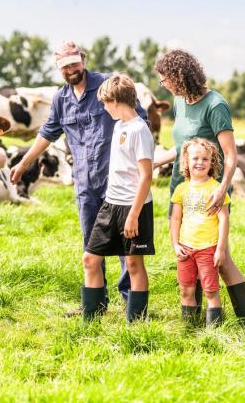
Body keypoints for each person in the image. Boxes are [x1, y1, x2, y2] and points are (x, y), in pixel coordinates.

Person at [9, 41, 147, 312]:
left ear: (83, 59)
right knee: (92, 244)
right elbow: (48, 132)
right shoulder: (61, 99)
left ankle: (131, 303)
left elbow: (137, 120)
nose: (71, 69)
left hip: (118, 180)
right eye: (64, 66)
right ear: (59, 69)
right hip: (85, 182)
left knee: (125, 246)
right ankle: (96, 305)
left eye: (74, 63)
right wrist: (24, 163)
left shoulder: (109, 86)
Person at [154, 49, 245, 327]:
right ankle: (196, 323)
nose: (164, 86)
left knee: (218, 260)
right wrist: (152, 163)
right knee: (188, 250)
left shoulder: (215, 105)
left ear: (179, 75)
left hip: (212, 191)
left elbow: (231, 154)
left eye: (165, 80)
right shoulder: (178, 102)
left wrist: (223, 188)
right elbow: (182, 148)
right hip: (183, 188)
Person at [82, 73, 155, 322]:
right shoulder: (118, 126)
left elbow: (146, 176)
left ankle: (136, 324)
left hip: (134, 208)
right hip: (110, 204)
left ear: (115, 101)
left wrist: (134, 215)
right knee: (90, 259)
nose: (104, 107)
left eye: (105, 103)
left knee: (134, 266)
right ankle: (89, 324)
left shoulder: (139, 129)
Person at [170, 138, 229, 326]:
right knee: (186, 291)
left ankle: (214, 333)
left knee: (211, 291)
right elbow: (175, 219)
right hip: (185, 249)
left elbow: (224, 219)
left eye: (205, 159)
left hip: (207, 249)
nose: (200, 163)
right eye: (195, 158)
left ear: (212, 162)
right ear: (186, 161)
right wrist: (175, 244)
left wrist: (220, 250)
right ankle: (189, 330)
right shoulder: (181, 189)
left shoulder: (216, 189)